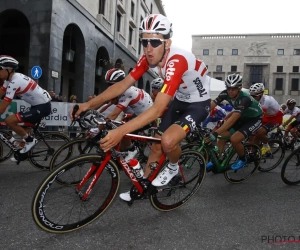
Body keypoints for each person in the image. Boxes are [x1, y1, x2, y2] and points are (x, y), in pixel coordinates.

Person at [73, 14, 211, 202]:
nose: (148, 48)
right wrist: (87, 104)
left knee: (168, 142)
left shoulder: (177, 60)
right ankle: (144, 185)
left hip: (198, 104)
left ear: (167, 43)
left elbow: (156, 109)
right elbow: (122, 85)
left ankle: (173, 166)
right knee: (156, 145)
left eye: (154, 42)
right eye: (144, 42)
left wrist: (120, 131)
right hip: (180, 100)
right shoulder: (149, 56)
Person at [88, 68, 153, 162]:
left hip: (148, 116)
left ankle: (132, 150)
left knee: (121, 131)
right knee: (119, 132)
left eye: (111, 85)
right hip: (138, 113)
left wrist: (98, 128)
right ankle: (122, 157)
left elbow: (114, 114)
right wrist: (90, 111)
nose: (109, 87)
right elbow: (104, 102)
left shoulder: (127, 92)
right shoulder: (121, 90)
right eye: (108, 84)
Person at [206, 74, 263, 171]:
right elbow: (209, 107)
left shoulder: (245, 98)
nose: (230, 91)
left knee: (234, 139)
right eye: (228, 88)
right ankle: (218, 159)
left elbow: (233, 119)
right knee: (222, 137)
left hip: (254, 119)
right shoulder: (225, 94)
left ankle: (243, 159)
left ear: (240, 88)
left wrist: (215, 133)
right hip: (243, 117)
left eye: (233, 89)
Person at [0, 55, 51, 155]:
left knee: (10, 121)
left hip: (43, 106)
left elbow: (3, 107)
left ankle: (31, 141)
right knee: (19, 125)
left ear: (9, 69)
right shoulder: (8, 79)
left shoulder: (15, 82)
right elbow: (1, 92)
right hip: (36, 105)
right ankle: (24, 151)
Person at [249, 83, 283, 155]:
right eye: (251, 96)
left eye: (254, 96)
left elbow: (258, 114)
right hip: (267, 117)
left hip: (276, 118)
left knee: (260, 132)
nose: (253, 98)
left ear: (261, 94)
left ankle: (266, 145)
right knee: (255, 135)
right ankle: (253, 153)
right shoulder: (256, 99)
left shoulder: (266, 100)